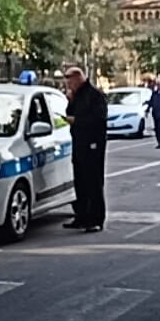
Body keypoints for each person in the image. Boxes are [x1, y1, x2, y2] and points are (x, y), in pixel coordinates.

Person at [63, 67, 107, 232]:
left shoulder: (95, 95)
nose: (68, 85)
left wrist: (77, 120)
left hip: (93, 144)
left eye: (70, 81)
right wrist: (71, 101)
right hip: (79, 143)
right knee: (80, 181)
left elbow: (98, 119)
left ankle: (96, 219)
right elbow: (70, 113)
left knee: (93, 182)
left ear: (78, 78)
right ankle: (81, 216)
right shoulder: (77, 96)